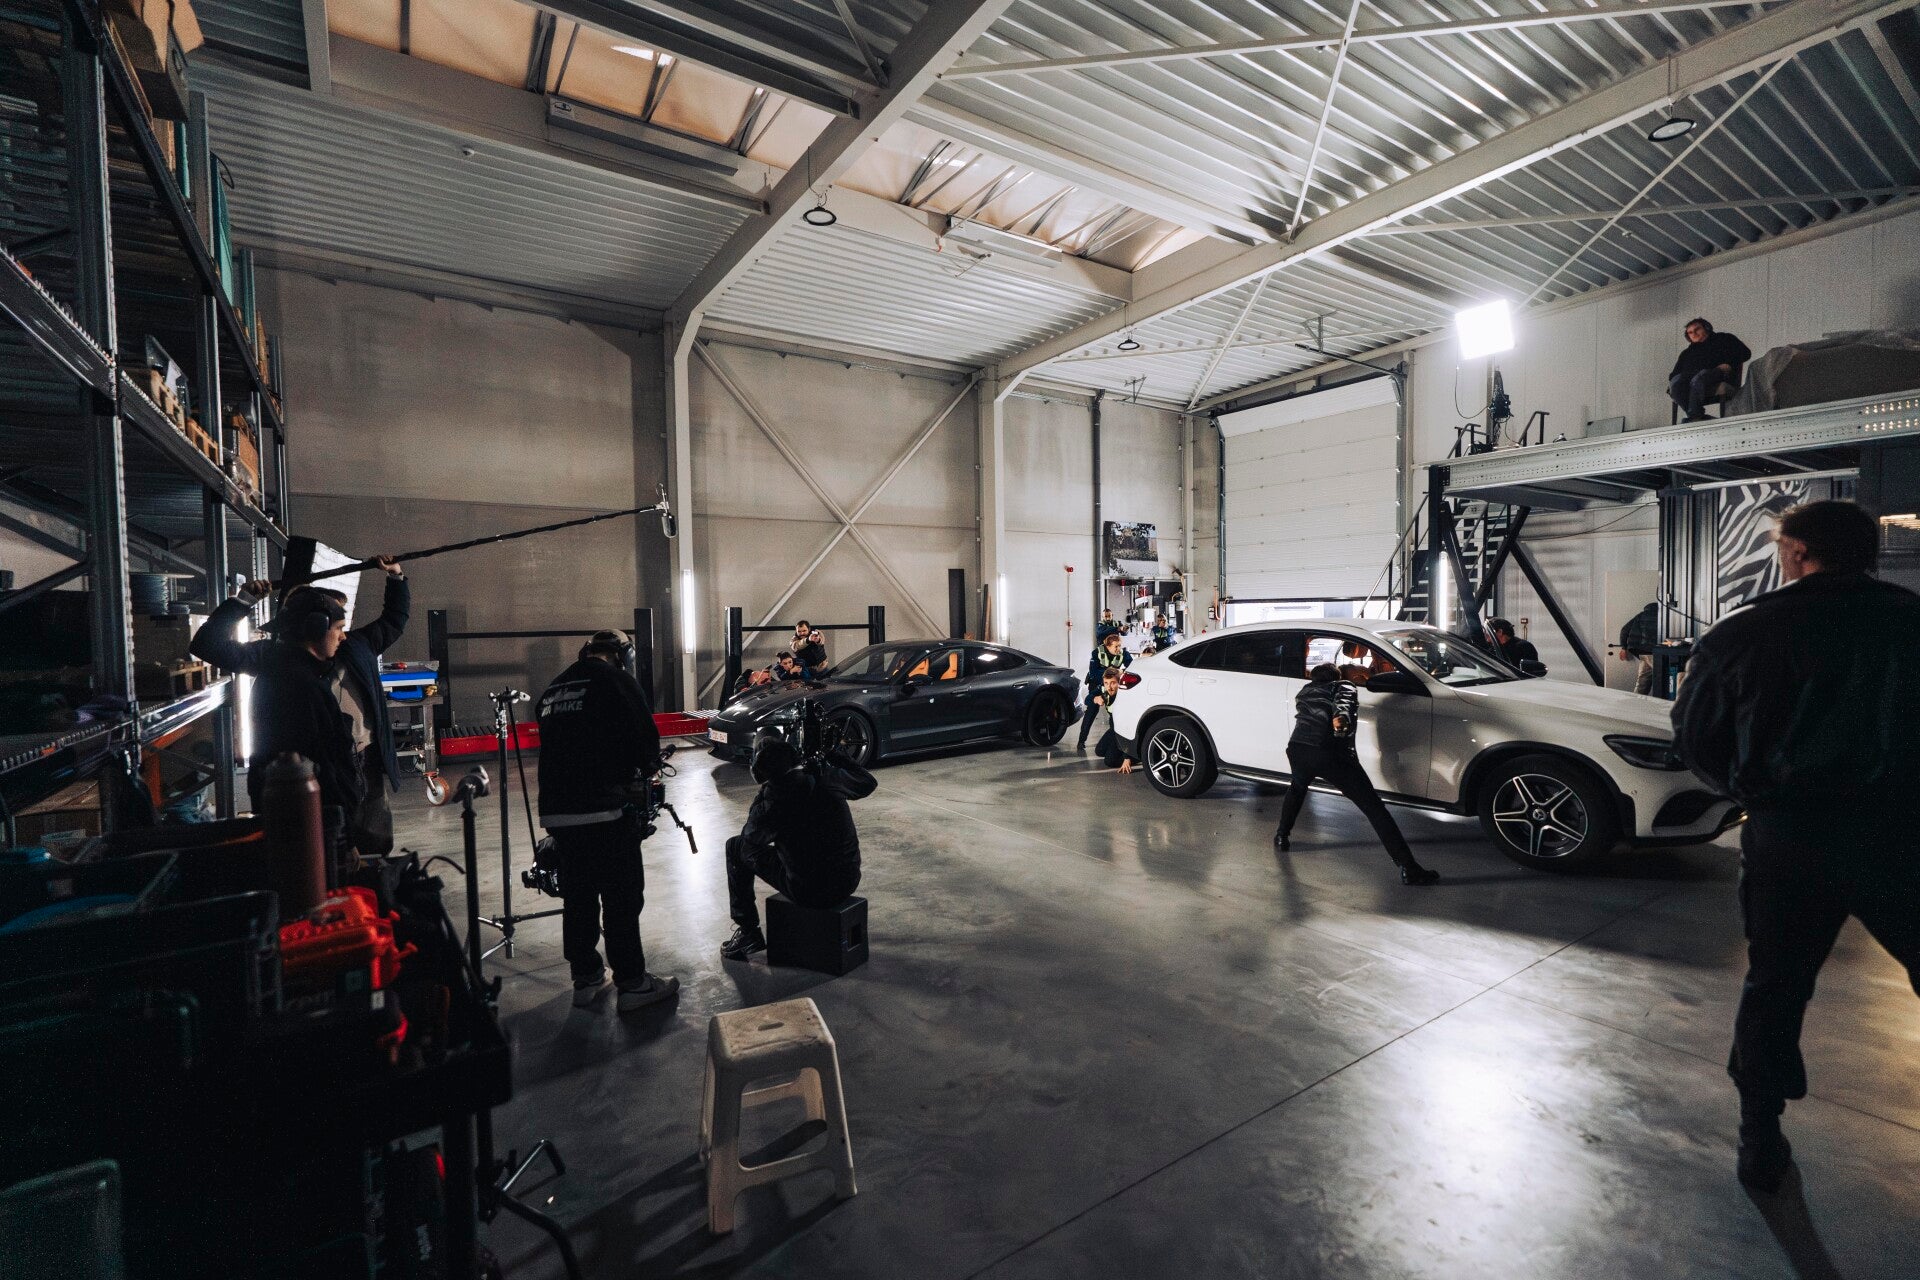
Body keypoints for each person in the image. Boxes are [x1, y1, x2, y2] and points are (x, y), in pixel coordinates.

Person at [1672, 500, 1920, 1194]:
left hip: (1791, 841)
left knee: (1776, 988)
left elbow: (1695, 739)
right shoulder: (1911, 622)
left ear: (1799, 552)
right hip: (1901, 838)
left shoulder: (1743, 633)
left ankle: (1759, 1138)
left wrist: (1754, 791)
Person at [190, 558, 407, 856]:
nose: (341, 631)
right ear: (313, 625)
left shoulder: (357, 646)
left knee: (374, 840)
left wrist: (395, 577)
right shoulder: (275, 659)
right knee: (320, 849)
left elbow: (394, 618)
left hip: (363, 758)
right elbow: (208, 645)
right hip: (305, 775)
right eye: (336, 622)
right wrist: (243, 602)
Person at [535, 630, 677, 1013]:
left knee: (578, 896)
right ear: (622, 655)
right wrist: (643, 767)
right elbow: (645, 741)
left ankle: (586, 976)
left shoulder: (555, 687)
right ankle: (632, 983)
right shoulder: (616, 680)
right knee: (621, 895)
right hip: (603, 809)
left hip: (558, 813)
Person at [1273, 665, 1439, 886]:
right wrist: (1340, 719)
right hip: (1331, 754)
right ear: (1337, 677)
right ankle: (1408, 867)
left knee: (1297, 788)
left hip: (1299, 750)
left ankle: (1281, 836)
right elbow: (1342, 705)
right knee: (1374, 808)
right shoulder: (1344, 686)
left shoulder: (1305, 691)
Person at [721, 728, 877, 961]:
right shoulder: (825, 777)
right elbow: (867, 782)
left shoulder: (775, 800)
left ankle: (748, 932)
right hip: (848, 880)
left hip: (810, 892)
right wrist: (835, 755)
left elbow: (750, 839)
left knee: (735, 847)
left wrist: (764, 791)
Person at [1668, 318, 1752, 422]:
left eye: (1697, 329)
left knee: (1699, 377)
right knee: (1675, 383)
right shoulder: (1686, 353)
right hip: (1691, 379)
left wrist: (1729, 364)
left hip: (1718, 373)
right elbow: (1674, 374)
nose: (1694, 334)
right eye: (1690, 332)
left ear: (1707, 328)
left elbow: (1745, 353)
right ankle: (1698, 416)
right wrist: (1674, 382)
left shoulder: (1724, 338)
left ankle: (1695, 417)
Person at [1075, 632, 1133, 750]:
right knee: (1091, 711)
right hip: (1097, 683)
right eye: (1116, 646)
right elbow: (1093, 673)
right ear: (1108, 646)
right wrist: (1112, 674)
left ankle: (1120, 742)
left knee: (1116, 712)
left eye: (1119, 646)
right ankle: (1081, 741)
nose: (1118, 649)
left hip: (1113, 684)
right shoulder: (1096, 653)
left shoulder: (1124, 654)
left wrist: (1121, 673)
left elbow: (1132, 667)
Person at [1086, 668, 1136, 772]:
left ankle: (1137, 757)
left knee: (1110, 761)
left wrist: (1127, 758)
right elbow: (1087, 699)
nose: (1109, 687)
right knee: (1099, 751)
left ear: (1119, 683)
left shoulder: (1124, 696)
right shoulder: (1104, 690)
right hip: (1114, 728)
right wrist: (1095, 699)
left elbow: (1128, 727)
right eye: (1106, 683)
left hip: (1127, 731)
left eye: (1113, 683)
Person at [1619, 601, 1659, 695]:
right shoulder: (1661, 616)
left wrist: (1624, 648)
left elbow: (1624, 630)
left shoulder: (1641, 615)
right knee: (1662, 677)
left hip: (1641, 651)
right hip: (1653, 651)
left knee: (1643, 680)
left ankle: (1636, 700)